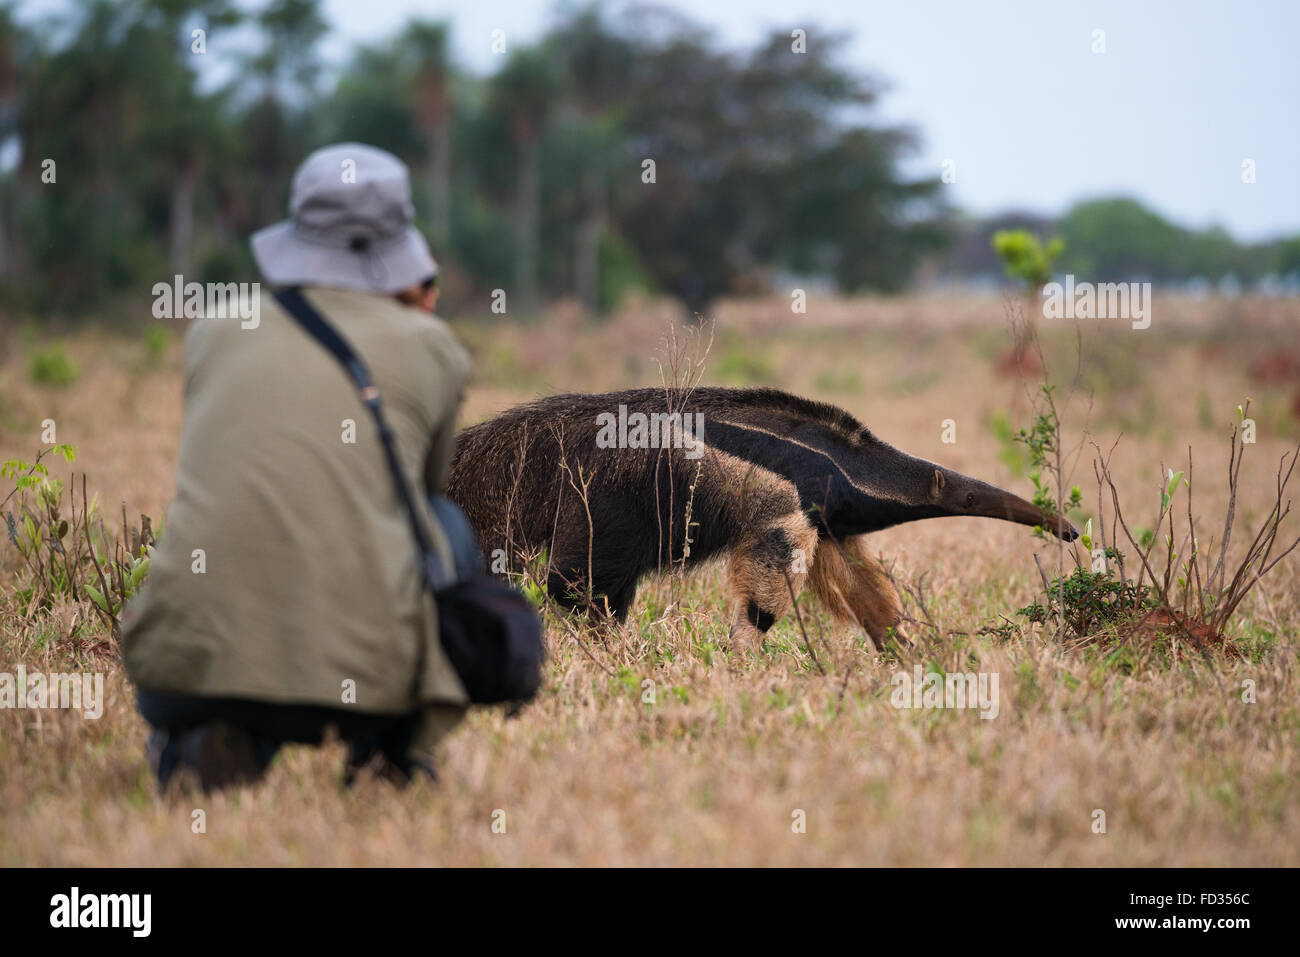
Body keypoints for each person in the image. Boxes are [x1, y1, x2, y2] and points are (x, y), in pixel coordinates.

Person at [121, 143, 475, 792]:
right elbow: (421, 496)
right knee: (448, 523)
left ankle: (218, 734)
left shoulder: (214, 329)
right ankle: (387, 751)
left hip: (180, 670)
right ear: (400, 250)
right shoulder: (435, 347)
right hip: (361, 680)